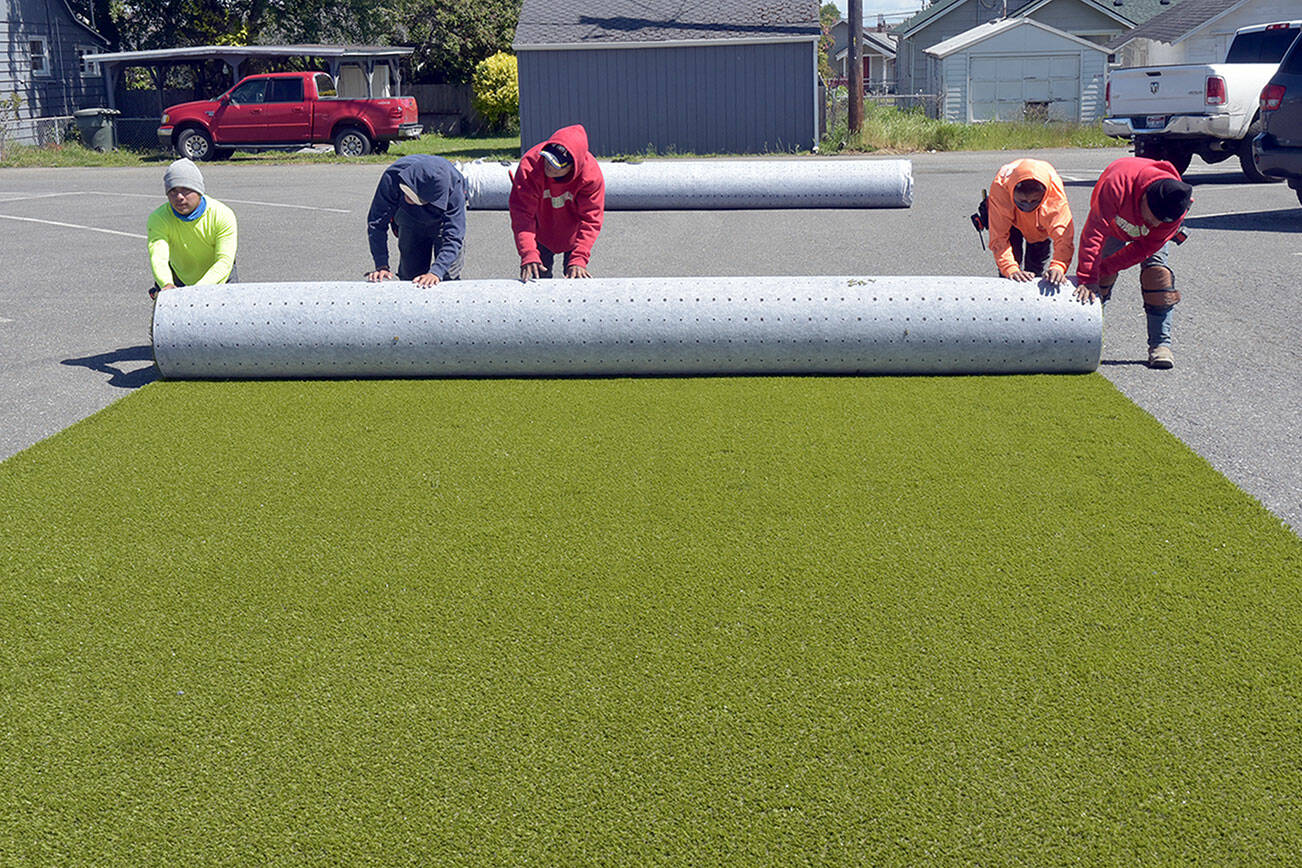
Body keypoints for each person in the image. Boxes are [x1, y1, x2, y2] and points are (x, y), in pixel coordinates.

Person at [1075, 156, 1193, 369]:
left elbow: (1145, 248)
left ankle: (1160, 345)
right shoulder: (1117, 183)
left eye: (1163, 221)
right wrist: (1090, 276)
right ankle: (1084, 339)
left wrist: (1108, 266)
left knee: (1157, 276)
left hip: (1145, 239)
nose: (1156, 224)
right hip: (1113, 226)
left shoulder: (1174, 207)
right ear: (1145, 198)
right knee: (1096, 282)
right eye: (1154, 216)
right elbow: (1094, 232)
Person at [509, 124, 605, 282]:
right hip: (540, 232)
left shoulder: (590, 176)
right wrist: (528, 252)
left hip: (574, 234)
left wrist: (579, 258)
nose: (549, 165)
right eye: (547, 158)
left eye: (556, 165)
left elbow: (591, 220)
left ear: (573, 166)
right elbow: (522, 214)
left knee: (575, 280)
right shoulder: (531, 165)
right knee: (538, 281)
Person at [366, 154, 466, 288]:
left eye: (416, 199)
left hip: (441, 221)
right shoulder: (392, 177)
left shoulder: (455, 187)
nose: (410, 200)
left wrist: (436, 272)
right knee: (410, 276)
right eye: (408, 194)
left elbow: (454, 236)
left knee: (447, 276)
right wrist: (381, 265)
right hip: (409, 219)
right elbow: (377, 223)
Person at [147, 158, 238, 298]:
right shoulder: (158, 218)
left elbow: (224, 261)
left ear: (199, 190)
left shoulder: (222, 214)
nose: (179, 197)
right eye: (172, 191)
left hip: (220, 277)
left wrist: (196, 291)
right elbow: (158, 257)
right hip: (178, 278)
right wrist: (166, 284)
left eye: (186, 190)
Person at [986, 158, 1074, 286]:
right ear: (1012, 193)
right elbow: (998, 238)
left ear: (1044, 195)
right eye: (1022, 201)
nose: (1027, 206)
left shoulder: (1054, 196)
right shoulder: (1000, 190)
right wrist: (1010, 270)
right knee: (1010, 273)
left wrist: (1058, 267)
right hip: (1010, 219)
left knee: (1035, 267)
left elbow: (1064, 238)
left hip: (1040, 221)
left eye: (1033, 201)